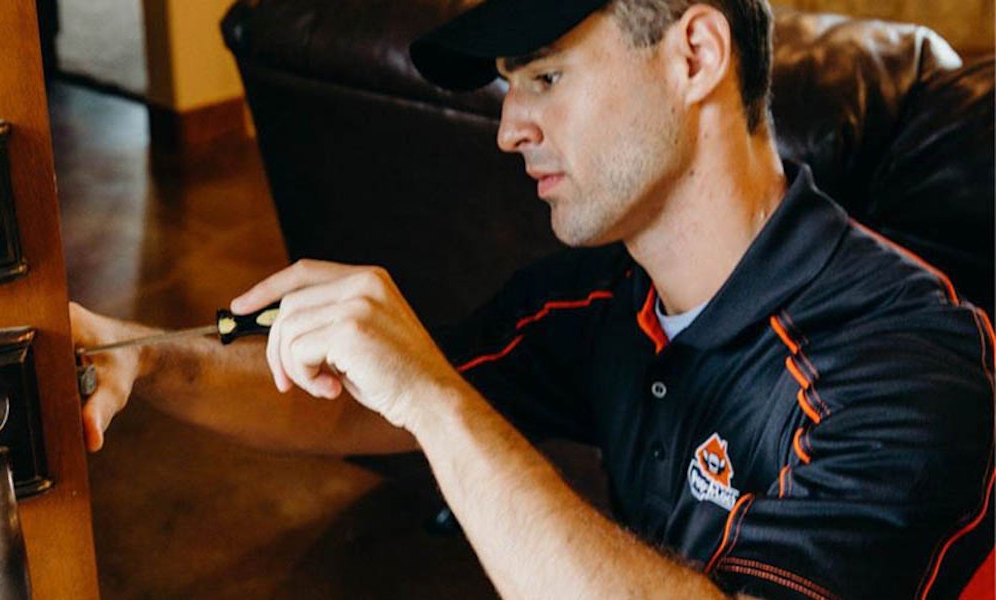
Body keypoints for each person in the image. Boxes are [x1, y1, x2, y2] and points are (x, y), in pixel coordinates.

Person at [70, 0, 995, 597]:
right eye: (512, 88)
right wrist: (141, 355)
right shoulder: (608, 297)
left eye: (545, 76)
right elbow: (354, 398)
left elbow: (433, 401)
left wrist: (436, 402)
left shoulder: (906, 360)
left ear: (695, 54)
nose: (510, 128)